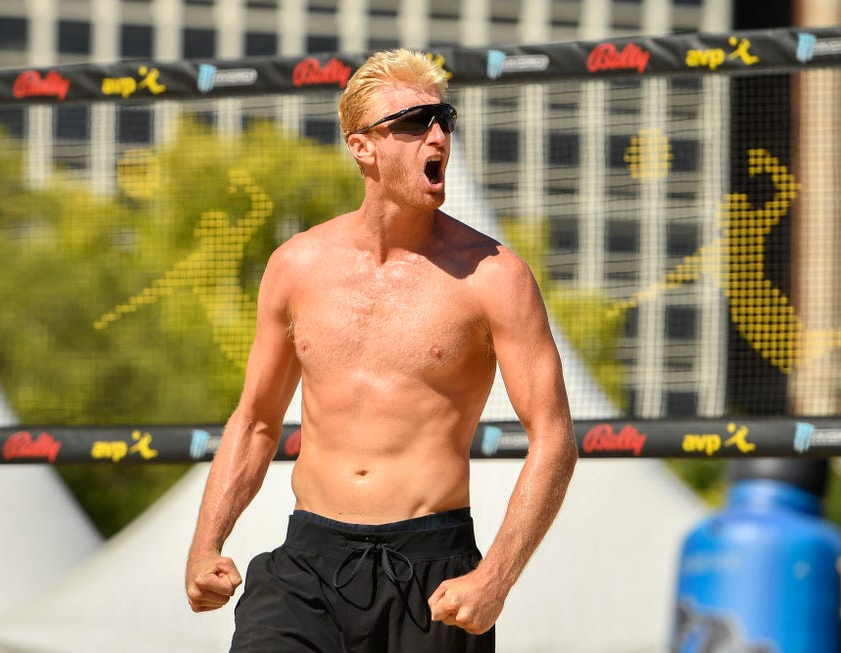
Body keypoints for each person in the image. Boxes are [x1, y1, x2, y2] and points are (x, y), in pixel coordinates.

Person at [185, 48, 577, 652]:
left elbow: (553, 438)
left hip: (432, 572)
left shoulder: (495, 276)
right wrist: (206, 543)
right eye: (416, 122)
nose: (438, 135)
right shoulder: (296, 266)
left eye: (443, 118)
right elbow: (258, 421)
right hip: (307, 565)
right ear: (362, 145)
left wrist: (495, 578)